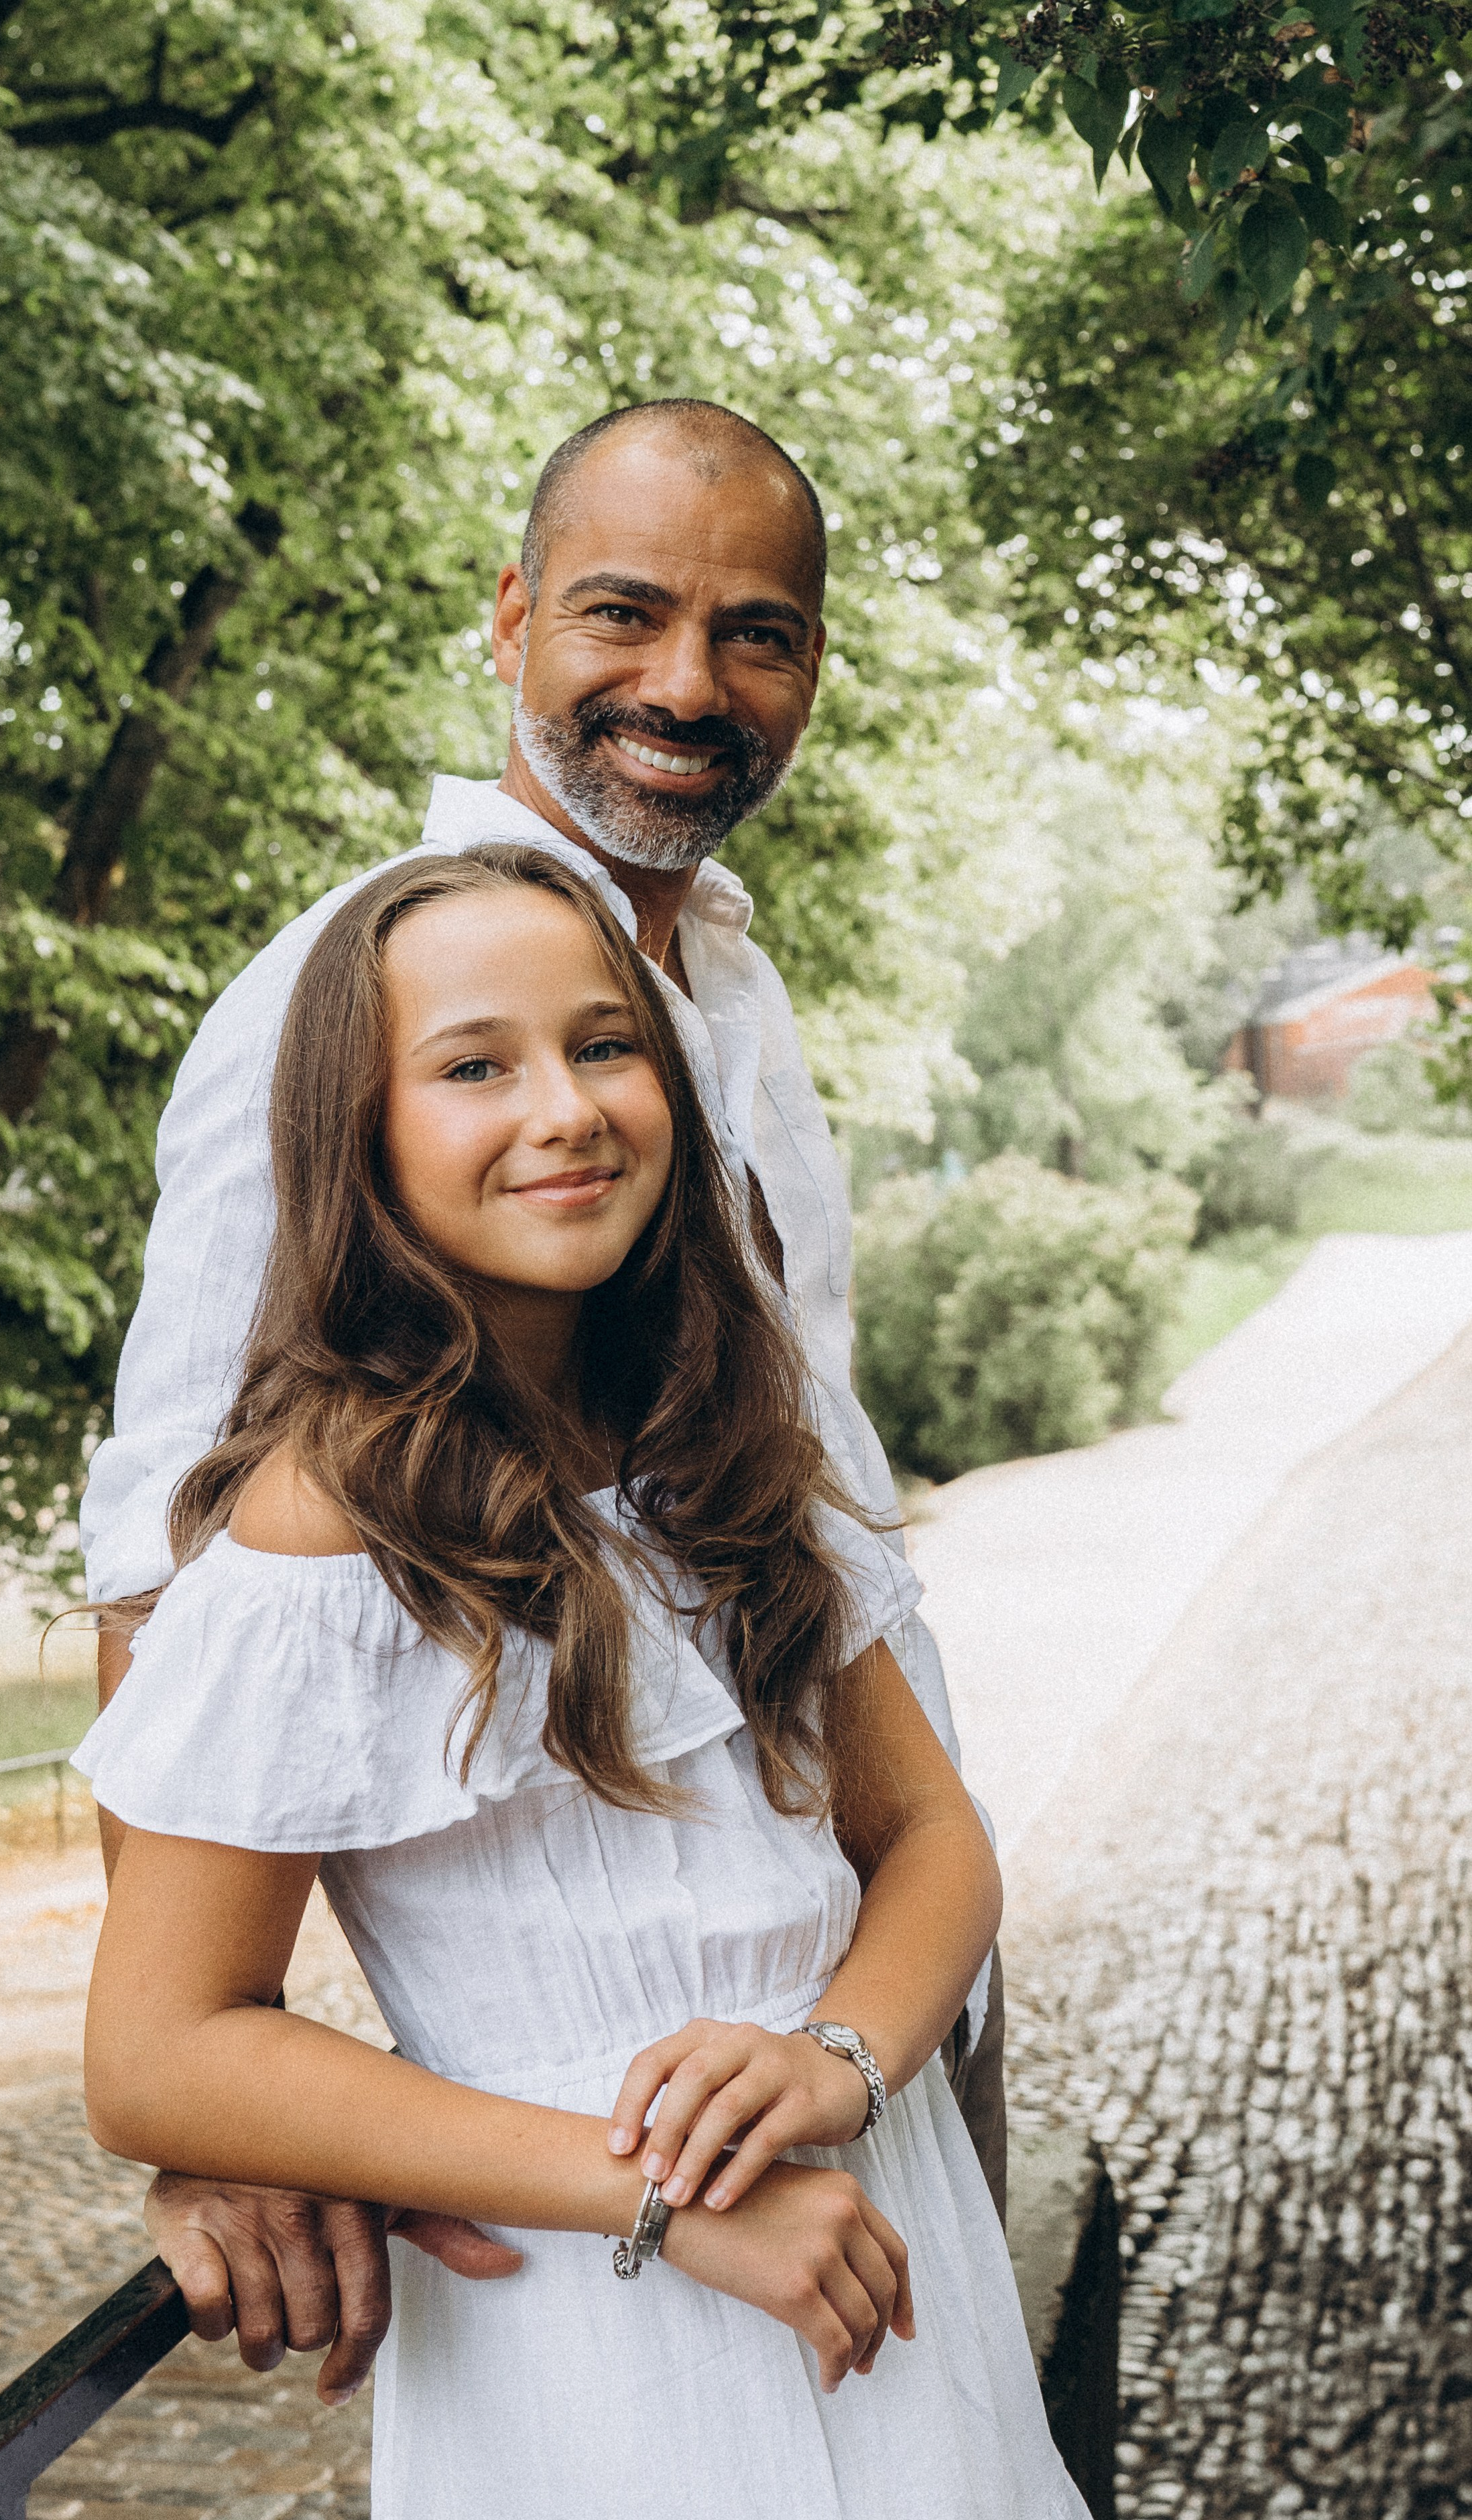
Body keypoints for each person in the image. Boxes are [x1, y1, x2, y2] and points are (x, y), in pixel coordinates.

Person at [79, 397, 1005, 2403]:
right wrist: (217, 2116)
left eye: (755, 632)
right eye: (624, 611)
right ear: (510, 619)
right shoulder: (352, 991)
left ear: (810, 673)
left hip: (872, 2016)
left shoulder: (725, 985)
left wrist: (870, 2029)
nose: (687, 683)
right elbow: (172, 1555)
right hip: (627, 2179)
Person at [78, 846, 1084, 2520]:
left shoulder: (724, 1434)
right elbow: (159, 2049)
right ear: (365, 1133)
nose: (565, 1108)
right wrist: (659, 2200)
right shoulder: (330, 1518)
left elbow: (930, 1832)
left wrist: (840, 2058)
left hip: (887, 2249)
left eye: (607, 1046)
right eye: (475, 1065)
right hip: (601, 2314)